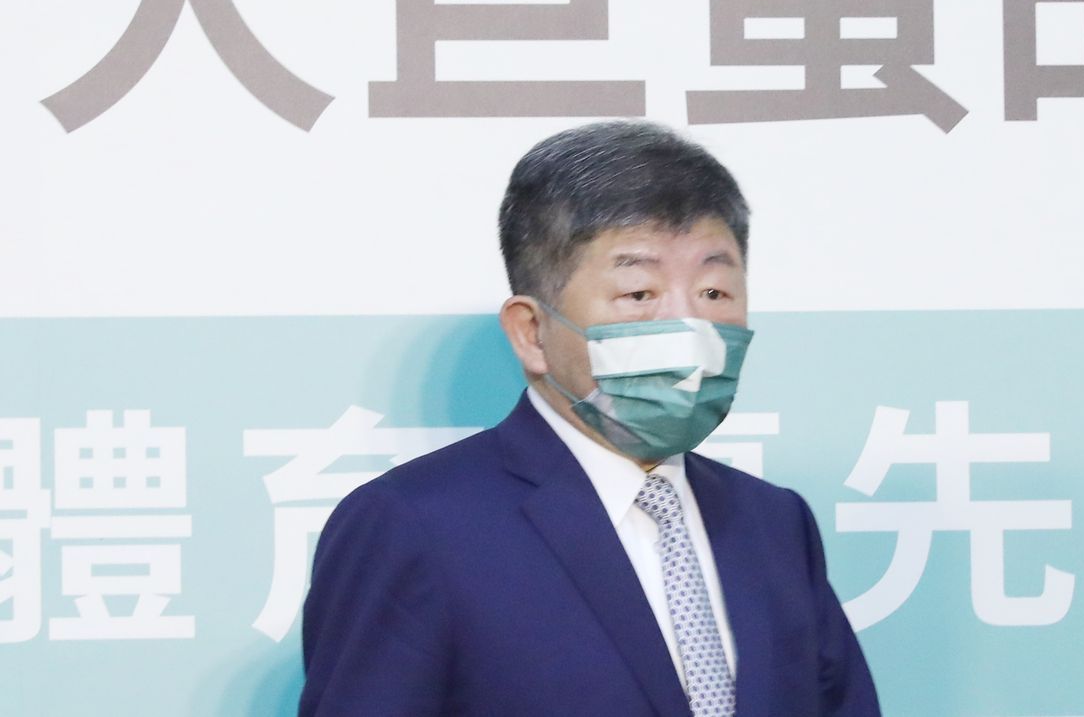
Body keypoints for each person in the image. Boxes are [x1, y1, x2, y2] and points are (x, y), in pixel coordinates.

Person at [298, 120, 880, 717]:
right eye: (639, 294)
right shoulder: (413, 525)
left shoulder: (774, 522)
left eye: (714, 293)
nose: (691, 330)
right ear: (532, 332)